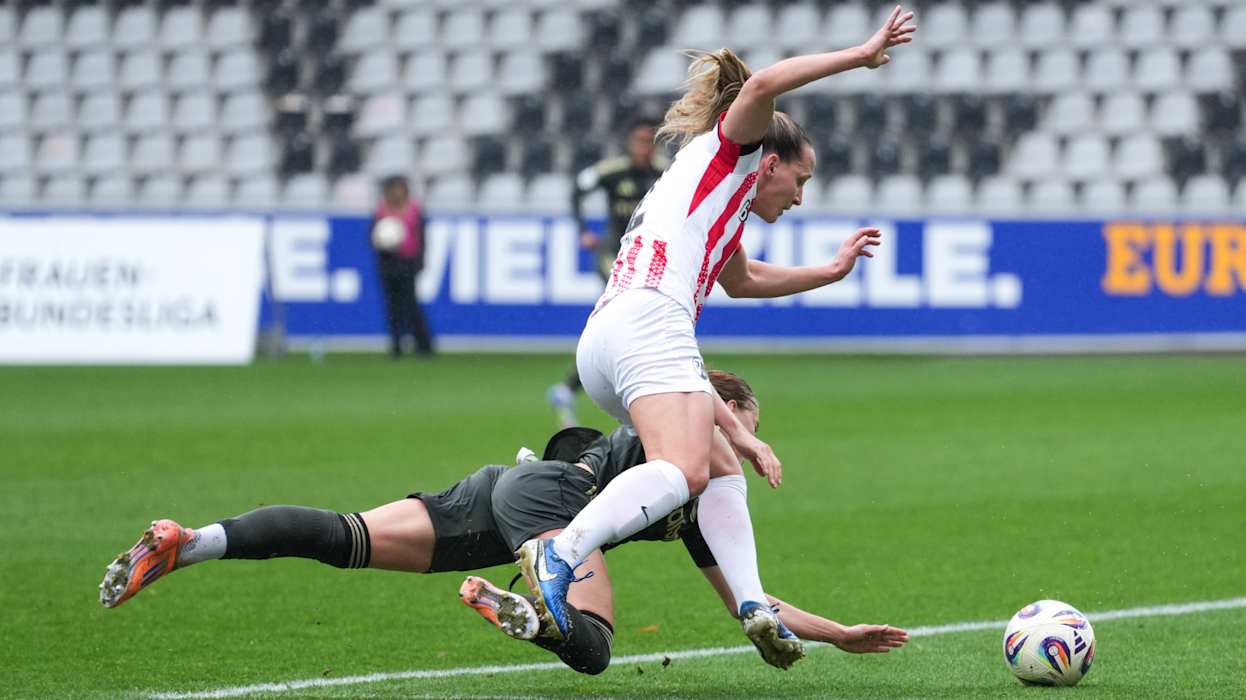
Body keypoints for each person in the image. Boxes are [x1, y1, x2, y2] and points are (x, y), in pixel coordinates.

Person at [513, 5, 917, 667]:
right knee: (684, 470)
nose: (800, 196)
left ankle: (755, 604)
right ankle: (562, 551)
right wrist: (861, 55)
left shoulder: (711, 196)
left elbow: (744, 279)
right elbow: (764, 86)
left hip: (607, 337)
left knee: (719, 465)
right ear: (771, 161)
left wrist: (830, 271)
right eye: (801, 180)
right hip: (651, 318)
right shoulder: (737, 151)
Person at [97, 371, 907, 674]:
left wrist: (837, 633)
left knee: (344, 537)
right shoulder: (682, 444)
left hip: (500, 493)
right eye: (738, 427)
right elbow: (690, 411)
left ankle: (191, 543)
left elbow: (746, 602)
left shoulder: (693, 500)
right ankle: (534, 612)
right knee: (593, 649)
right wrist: (734, 436)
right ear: (714, 414)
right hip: (551, 506)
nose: (738, 449)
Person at [547, 119, 667, 428]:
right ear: (630, 143)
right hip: (613, 255)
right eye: (639, 141)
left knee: (632, 321)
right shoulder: (613, 172)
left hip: (645, 259)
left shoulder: (665, 172)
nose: (644, 148)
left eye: (649, 142)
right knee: (625, 310)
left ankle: (571, 387)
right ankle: (622, 389)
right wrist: (583, 230)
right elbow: (578, 190)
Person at [371, 175, 434, 358]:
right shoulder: (382, 211)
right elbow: (372, 237)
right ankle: (396, 345)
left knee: (411, 305)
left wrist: (420, 261)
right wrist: (381, 243)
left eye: (399, 188)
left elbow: (421, 238)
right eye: (393, 189)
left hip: (407, 263)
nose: (396, 193)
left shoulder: (414, 210)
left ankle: (423, 344)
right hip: (388, 263)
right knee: (392, 307)